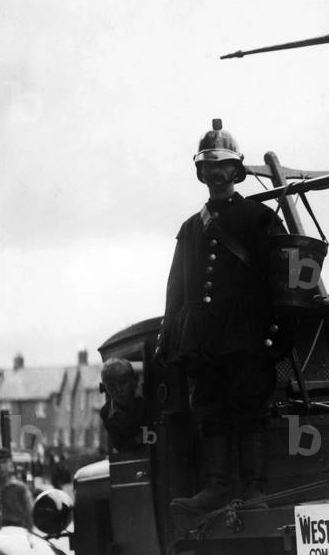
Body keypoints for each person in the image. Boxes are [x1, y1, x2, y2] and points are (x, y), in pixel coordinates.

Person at [157, 119, 290, 512]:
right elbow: (176, 289)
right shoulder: (189, 228)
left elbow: (280, 276)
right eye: (209, 166)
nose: (216, 172)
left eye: (224, 165)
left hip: (246, 333)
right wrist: (170, 336)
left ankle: (254, 490)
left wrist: (280, 327)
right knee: (211, 410)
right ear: (200, 173)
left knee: (249, 409)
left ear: (237, 170)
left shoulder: (258, 219)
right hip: (203, 338)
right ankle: (216, 487)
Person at [99, 358, 148, 452]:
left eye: (123, 382)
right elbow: (120, 446)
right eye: (111, 386)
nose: (118, 389)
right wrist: (138, 439)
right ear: (105, 387)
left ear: (135, 380)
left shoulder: (147, 403)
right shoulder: (107, 412)